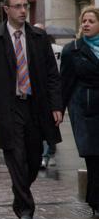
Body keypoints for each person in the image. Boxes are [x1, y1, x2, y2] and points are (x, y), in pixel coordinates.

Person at [0, 0, 63, 219]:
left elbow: (52, 75)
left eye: (25, 6)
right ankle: (26, 208)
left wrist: (56, 105)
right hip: (8, 107)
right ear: (6, 9)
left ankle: (20, 194)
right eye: (17, 6)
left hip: (36, 106)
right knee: (16, 156)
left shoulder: (38, 37)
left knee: (34, 159)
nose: (23, 10)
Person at [61, 6, 99, 219]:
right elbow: (65, 82)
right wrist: (58, 108)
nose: (86, 24)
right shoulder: (72, 49)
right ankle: (95, 202)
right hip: (85, 110)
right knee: (93, 157)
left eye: (91, 21)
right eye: (84, 21)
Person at [34, 23, 64, 168]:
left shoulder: (56, 50)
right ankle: (45, 153)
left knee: (50, 124)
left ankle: (47, 154)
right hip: (38, 93)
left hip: (51, 91)